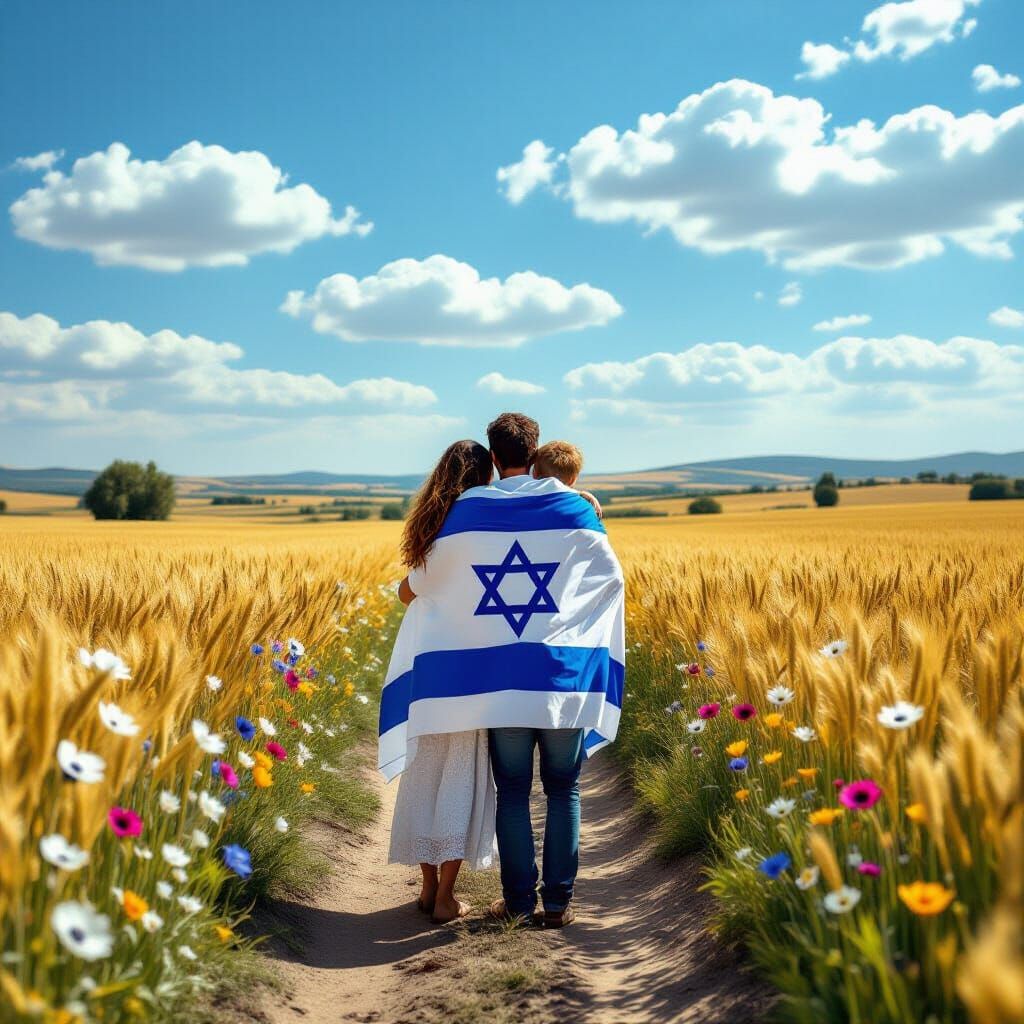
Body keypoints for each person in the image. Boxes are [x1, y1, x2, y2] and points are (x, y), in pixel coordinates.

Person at [387, 439, 497, 924]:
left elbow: (407, 590)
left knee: (425, 772)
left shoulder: (435, 526)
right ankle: (448, 896)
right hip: (472, 671)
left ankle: (429, 887)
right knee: (462, 775)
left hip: (430, 672)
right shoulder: (486, 524)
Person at [485, 414, 586, 928]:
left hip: (503, 678)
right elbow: (608, 586)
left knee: (513, 789)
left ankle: (519, 903)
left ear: (493, 454)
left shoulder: (471, 511)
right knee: (564, 787)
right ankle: (558, 905)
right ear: (535, 448)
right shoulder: (576, 510)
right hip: (564, 675)